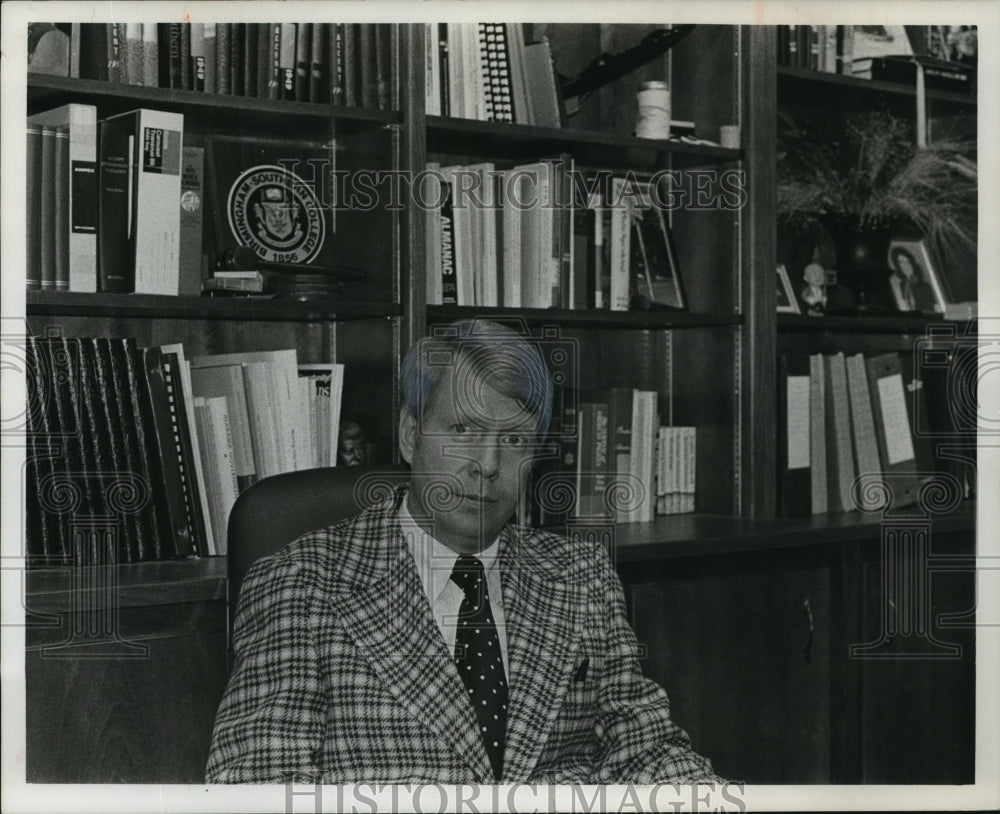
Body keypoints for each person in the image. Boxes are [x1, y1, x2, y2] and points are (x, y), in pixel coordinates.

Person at [206, 319, 721, 784]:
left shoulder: (582, 576)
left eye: (516, 441)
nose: (488, 464)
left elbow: (647, 751)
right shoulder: (301, 583)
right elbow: (258, 786)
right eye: (464, 431)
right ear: (411, 435)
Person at [888, 246, 938, 312]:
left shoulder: (925, 286)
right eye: (901, 262)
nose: (906, 266)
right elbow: (905, 304)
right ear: (898, 266)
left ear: (912, 263)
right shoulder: (903, 284)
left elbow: (936, 308)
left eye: (908, 262)